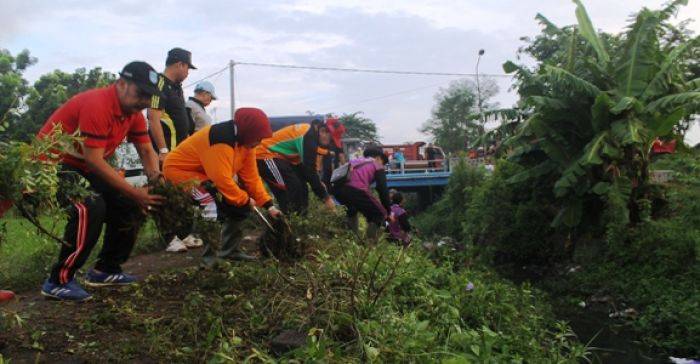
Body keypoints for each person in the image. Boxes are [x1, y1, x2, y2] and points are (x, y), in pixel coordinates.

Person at [38, 61, 165, 302]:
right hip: (53, 164)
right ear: (121, 84)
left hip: (84, 165)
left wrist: (157, 181)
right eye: (141, 94)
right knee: (90, 206)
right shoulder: (98, 104)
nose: (144, 101)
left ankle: (105, 270)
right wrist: (135, 191)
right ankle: (58, 280)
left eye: (149, 97)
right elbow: (95, 160)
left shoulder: (133, 115)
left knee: (129, 205)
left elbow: (147, 152)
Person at [163, 108, 282, 264]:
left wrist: (268, 205)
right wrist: (245, 199)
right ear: (248, 131)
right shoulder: (220, 139)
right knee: (209, 201)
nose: (259, 142)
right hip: (180, 173)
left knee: (239, 206)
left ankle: (230, 252)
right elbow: (221, 180)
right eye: (258, 137)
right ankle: (209, 261)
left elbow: (251, 178)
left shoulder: (247, 144)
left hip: (206, 175)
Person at [256, 120, 336, 215]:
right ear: (322, 131)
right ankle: (287, 222)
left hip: (281, 157)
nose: (329, 139)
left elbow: (305, 168)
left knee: (302, 187)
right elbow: (309, 169)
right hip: (264, 154)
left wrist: (318, 183)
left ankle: (301, 219)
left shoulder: (310, 134)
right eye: (328, 134)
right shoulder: (309, 137)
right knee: (289, 187)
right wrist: (325, 197)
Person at [148, 47, 196, 164]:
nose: (188, 73)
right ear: (180, 65)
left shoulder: (177, 87)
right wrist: (163, 151)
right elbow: (153, 119)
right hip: (168, 153)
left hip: (180, 151)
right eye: (187, 68)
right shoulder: (159, 84)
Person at [333, 146, 391, 241]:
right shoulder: (377, 165)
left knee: (352, 209)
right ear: (378, 158)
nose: (383, 165)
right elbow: (383, 189)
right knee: (379, 214)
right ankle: (370, 244)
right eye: (383, 162)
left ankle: (352, 240)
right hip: (356, 189)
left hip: (338, 189)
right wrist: (388, 212)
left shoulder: (354, 161)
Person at [321, 119, 346, 189]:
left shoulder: (330, 142)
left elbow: (335, 160)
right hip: (333, 172)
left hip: (329, 173)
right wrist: (346, 170)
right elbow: (341, 156)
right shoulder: (337, 142)